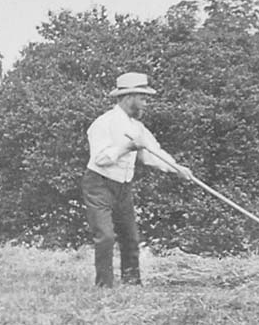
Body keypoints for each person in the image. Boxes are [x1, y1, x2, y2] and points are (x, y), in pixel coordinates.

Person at [81, 72, 193, 288]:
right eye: (142, 98)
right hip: (99, 184)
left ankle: (132, 285)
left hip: (123, 186)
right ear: (128, 97)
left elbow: (153, 153)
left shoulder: (138, 128)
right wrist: (126, 147)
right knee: (105, 236)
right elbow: (101, 159)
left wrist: (177, 168)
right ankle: (104, 288)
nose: (145, 103)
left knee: (131, 237)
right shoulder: (103, 124)